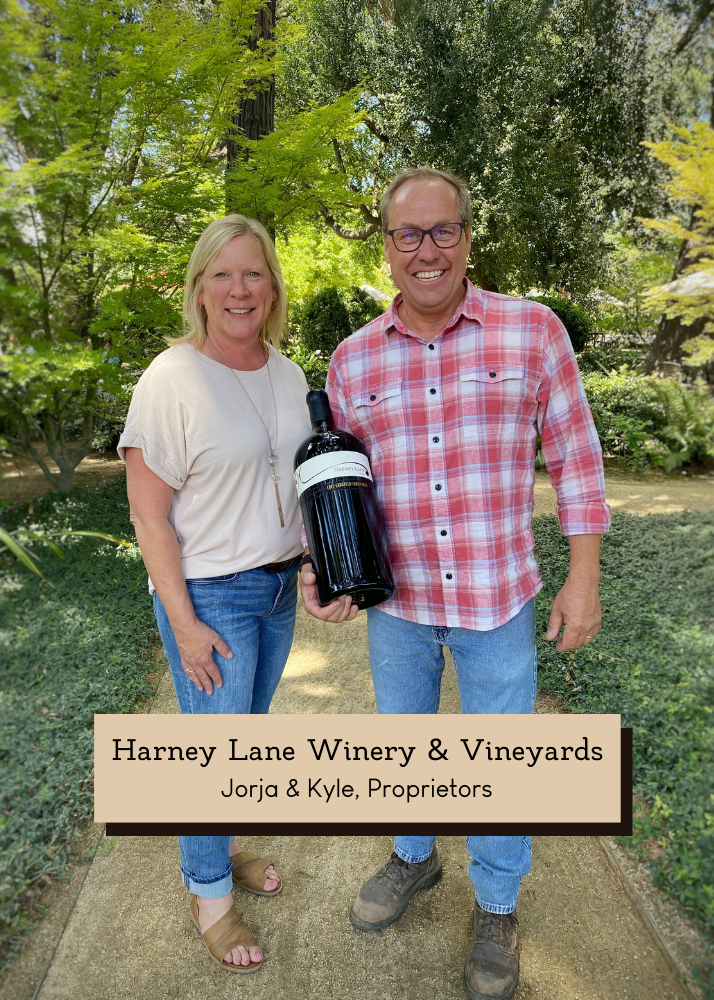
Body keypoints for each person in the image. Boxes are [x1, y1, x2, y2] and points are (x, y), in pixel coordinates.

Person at [299, 167, 610, 1000]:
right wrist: (319, 568)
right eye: (408, 234)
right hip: (397, 607)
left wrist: (584, 577)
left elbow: (576, 459)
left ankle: (499, 905)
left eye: (443, 231)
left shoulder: (533, 332)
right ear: (388, 246)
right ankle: (414, 855)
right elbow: (337, 486)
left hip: (494, 601)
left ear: (468, 237)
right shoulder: (353, 359)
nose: (426, 250)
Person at [118, 215, 311, 974]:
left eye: (253, 274)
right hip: (212, 597)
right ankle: (210, 900)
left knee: (247, 738)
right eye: (223, 275)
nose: (240, 289)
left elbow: (299, 483)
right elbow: (148, 514)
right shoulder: (172, 378)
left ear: (272, 287)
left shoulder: (289, 374)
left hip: (275, 589)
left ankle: (226, 847)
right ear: (199, 288)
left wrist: (309, 561)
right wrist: (187, 624)